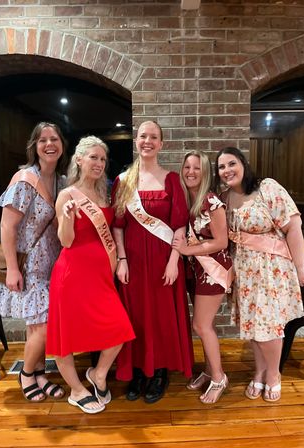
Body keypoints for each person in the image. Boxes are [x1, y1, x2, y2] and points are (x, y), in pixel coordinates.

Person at [46, 136, 135, 414]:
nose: (99, 163)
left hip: (100, 277)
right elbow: (66, 241)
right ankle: (76, 389)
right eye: (93, 157)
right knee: (66, 337)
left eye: (102, 159)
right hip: (72, 276)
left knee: (120, 330)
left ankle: (98, 374)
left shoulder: (105, 194)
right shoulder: (67, 195)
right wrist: (69, 219)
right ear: (79, 160)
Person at [215, 146, 304, 402]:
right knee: (254, 328)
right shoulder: (223, 199)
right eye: (221, 167)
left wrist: (299, 265)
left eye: (231, 163)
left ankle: (273, 375)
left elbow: (294, 226)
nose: (227, 170)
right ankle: (259, 371)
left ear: (243, 163)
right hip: (244, 273)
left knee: (269, 328)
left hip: (271, 271)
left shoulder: (267, 187)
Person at [112, 120, 194, 404]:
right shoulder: (123, 181)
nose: (148, 141)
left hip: (163, 262)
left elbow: (180, 225)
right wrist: (121, 260)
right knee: (134, 316)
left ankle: (159, 371)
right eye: (143, 136)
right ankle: (137, 370)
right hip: (133, 261)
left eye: (154, 137)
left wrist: (174, 261)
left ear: (162, 144)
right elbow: (118, 225)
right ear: (136, 141)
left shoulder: (171, 179)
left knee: (160, 317)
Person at [0, 122, 67, 402]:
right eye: (43, 140)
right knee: (43, 324)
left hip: (53, 264)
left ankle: (40, 373)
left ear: (62, 144)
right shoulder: (25, 178)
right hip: (29, 265)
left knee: (36, 325)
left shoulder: (60, 180)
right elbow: (7, 226)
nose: (49, 144)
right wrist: (12, 268)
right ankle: (26, 373)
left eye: (54, 139)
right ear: (34, 146)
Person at [172, 150, 233, 404]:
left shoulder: (211, 201)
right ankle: (209, 370)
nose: (191, 172)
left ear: (205, 172)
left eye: (197, 168)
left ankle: (219, 377)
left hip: (213, 269)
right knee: (205, 325)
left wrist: (188, 250)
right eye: (187, 167)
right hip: (196, 270)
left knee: (200, 325)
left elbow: (221, 241)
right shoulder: (188, 200)